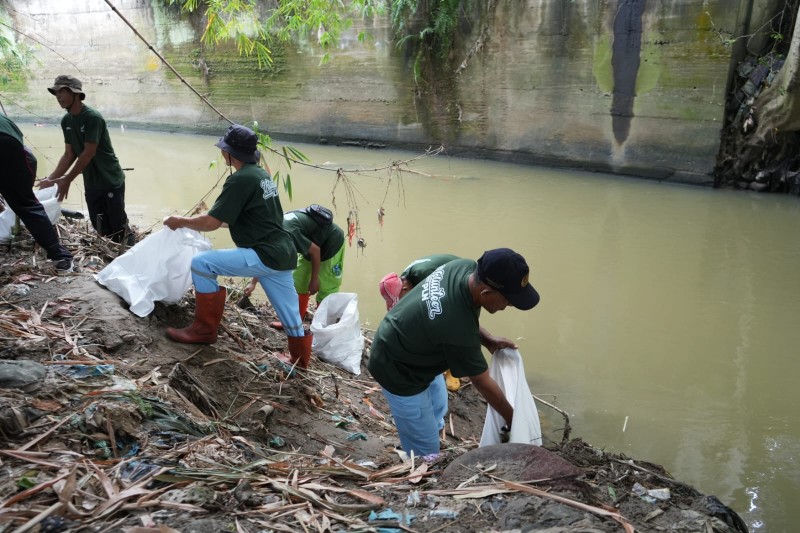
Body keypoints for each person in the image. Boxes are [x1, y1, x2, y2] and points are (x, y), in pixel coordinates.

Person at [162, 124, 312, 368]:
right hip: (283, 253)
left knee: (202, 264)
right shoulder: (261, 175)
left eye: (223, 149)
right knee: (290, 314)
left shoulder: (241, 179)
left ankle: (204, 330)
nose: (222, 153)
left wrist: (180, 221)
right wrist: (197, 223)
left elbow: (211, 222)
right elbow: (235, 219)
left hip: (262, 253)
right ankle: (299, 360)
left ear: (230, 153)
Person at [368, 248, 540, 457]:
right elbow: (481, 382)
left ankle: (431, 432)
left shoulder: (463, 268)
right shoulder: (456, 326)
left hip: (416, 345)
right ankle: (424, 468)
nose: (511, 305)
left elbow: (461, 314)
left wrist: (487, 340)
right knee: (426, 452)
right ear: (486, 293)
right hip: (395, 368)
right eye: (509, 300)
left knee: (438, 407)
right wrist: (514, 421)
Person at [39, 75, 134, 245]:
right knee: (99, 226)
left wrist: (67, 180)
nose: (58, 97)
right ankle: (108, 259)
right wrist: (51, 179)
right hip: (92, 182)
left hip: (110, 179)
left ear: (75, 94)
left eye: (62, 92)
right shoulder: (66, 120)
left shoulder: (92, 118)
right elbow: (69, 155)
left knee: (119, 227)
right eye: (56, 93)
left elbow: (88, 153)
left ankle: (128, 252)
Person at [244, 205, 345, 329]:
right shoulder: (267, 230)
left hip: (331, 243)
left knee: (326, 285)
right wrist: (253, 283)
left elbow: (315, 251)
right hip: (311, 242)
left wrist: (314, 280)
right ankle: (293, 322)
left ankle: (322, 328)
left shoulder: (285, 231)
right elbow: (265, 258)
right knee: (298, 280)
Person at [0, 114, 74, 272]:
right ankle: (60, 256)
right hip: (14, 149)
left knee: (25, 205)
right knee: (27, 206)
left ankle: (60, 255)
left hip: (8, 147)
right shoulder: (6, 123)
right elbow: (28, 156)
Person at [379, 253, 461, 390]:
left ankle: (453, 369)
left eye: (400, 299)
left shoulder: (426, 278)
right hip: (442, 276)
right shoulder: (404, 281)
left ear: (404, 288)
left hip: (457, 279)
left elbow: (443, 314)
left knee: (453, 322)